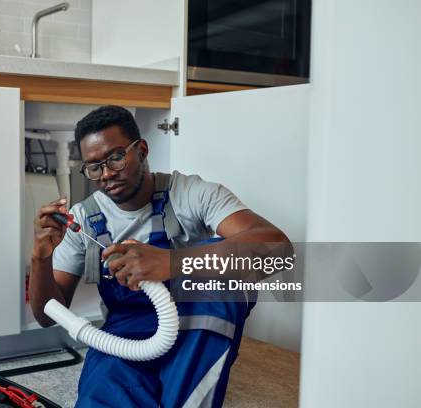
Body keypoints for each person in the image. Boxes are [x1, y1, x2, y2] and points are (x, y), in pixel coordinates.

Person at [30, 105, 291, 407]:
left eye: (116, 157)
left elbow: (278, 249)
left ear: (141, 150)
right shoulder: (85, 219)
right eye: (94, 167)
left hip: (193, 323)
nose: (106, 175)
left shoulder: (191, 193)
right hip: (126, 336)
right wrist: (40, 257)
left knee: (227, 280)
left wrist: (170, 263)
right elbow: (46, 315)